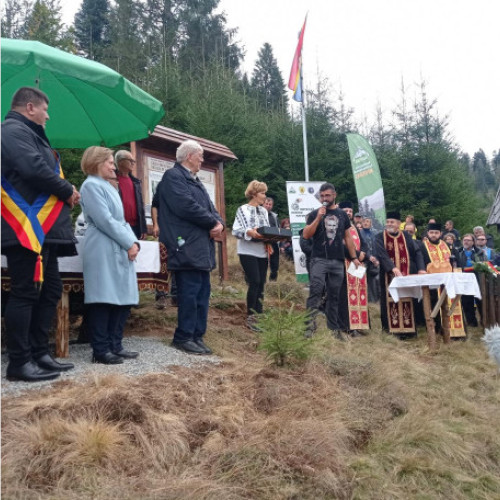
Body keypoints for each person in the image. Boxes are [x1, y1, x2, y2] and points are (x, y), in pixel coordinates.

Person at [1, 87, 79, 382]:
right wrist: (67, 189)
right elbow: (31, 168)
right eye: (45, 110)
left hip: (45, 231)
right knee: (25, 292)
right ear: (30, 107)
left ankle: (39, 353)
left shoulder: (29, 133)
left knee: (49, 291)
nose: (48, 116)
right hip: (24, 228)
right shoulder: (10, 130)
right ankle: (19, 362)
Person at [157, 139, 224, 355]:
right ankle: (183, 336)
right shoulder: (173, 177)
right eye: (200, 156)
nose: (203, 160)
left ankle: (197, 335)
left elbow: (210, 207)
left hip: (200, 246)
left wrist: (219, 222)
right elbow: (186, 206)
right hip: (185, 245)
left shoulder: (195, 180)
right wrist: (212, 223)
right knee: (189, 293)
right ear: (189, 156)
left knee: (202, 293)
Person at [80, 147, 140, 364]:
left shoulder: (107, 186)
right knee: (103, 297)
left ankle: (116, 344)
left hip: (117, 245)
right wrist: (128, 242)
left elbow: (119, 220)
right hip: (103, 246)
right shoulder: (91, 186)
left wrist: (132, 243)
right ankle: (100, 349)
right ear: (97, 163)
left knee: (121, 298)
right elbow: (105, 220)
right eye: (109, 162)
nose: (113, 165)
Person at [303, 183, 360, 340]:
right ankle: (308, 327)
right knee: (315, 292)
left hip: (337, 261)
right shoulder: (315, 213)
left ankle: (334, 329)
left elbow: (347, 237)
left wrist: (354, 257)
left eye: (327, 195)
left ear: (334, 195)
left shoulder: (342, 215)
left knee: (334, 296)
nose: (324, 199)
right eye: (321, 196)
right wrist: (319, 217)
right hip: (319, 260)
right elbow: (306, 235)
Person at [374, 211, 425, 336]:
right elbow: (382, 255)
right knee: (389, 300)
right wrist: (393, 268)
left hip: (406, 274)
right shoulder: (380, 236)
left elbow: (417, 252)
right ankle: (391, 331)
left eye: (392, 222)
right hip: (388, 275)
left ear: (398, 224)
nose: (389, 224)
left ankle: (408, 331)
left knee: (407, 298)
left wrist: (421, 268)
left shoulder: (406, 237)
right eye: (387, 222)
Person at [233, 181, 270, 331]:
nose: (265, 196)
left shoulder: (264, 211)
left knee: (261, 282)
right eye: (262, 193)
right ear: (254, 194)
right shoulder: (243, 209)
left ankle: (259, 314)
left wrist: (271, 239)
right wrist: (249, 232)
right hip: (247, 251)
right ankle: (251, 316)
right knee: (254, 281)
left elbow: (267, 229)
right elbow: (236, 230)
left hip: (262, 251)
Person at [421, 222, 465, 337]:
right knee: (434, 305)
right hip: (432, 283)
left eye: (436, 233)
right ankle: (438, 330)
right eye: (431, 233)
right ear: (428, 233)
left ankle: (455, 332)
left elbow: (455, 262)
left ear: (440, 233)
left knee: (451, 304)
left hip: (448, 281)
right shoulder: (422, 246)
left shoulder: (447, 245)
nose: (434, 235)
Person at [338, 201, 369, 337]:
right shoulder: (337, 225)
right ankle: (347, 327)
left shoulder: (354, 227)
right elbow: (339, 246)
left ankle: (358, 325)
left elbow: (363, 244)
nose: (349, 213)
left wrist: (364, 255)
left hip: (356, 266)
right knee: (345, 298)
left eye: (350, 211)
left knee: (358, 296)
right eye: (346, 210)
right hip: (343, 265)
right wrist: (356, 255)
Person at [115, 150, 147, 240]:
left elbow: (141, 206)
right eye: (130, 161)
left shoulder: (135, 182)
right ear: (120, 162)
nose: (133, 163)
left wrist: (143, 228)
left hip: (135, 227)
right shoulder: (112, 180)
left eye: (134, 161)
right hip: (120, 226)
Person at [456, 234, 480, 327]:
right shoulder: (458, 252)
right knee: (466, 301)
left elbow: (485, 263)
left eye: (468, 240)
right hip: (463, 279)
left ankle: (484, 320)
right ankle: (471, 322)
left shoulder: (480, 252)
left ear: (473, 242)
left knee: (480, 301)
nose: (466, 242)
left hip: (477, 278)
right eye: (464, 240)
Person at [360, 216, 380, 303]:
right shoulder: (359, 233)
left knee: (373, 282)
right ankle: (362, 300)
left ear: (371, 224)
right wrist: (368, 256)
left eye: (367, 221)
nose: (365, 223)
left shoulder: (374, 234)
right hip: (362, 260)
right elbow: (359, 247)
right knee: (361, 281)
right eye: (364, 221)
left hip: (373, 262)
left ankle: (373, 301)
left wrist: (376, 259)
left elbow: (376, 247)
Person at [263, 196, 280, 281]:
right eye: (266, 204)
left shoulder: (274, 216)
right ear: (263, 204)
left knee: (275, 264)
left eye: (270, 204)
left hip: (274, 242)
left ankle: (273, 281)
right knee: (262, 263)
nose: (268, 206)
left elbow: (278, 228)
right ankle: (262, 281)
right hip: (261, 242)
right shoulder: (258, 214)